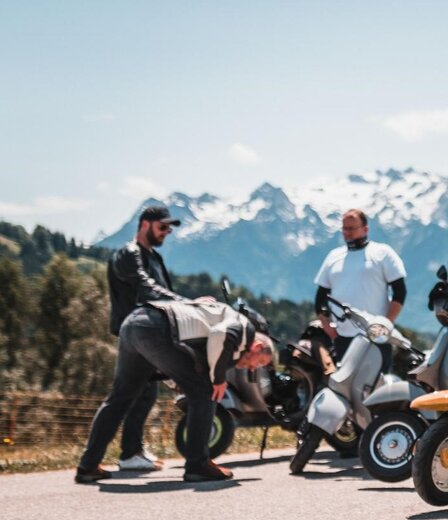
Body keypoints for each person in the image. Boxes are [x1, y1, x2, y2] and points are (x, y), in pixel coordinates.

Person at [75, 300, 273, 483]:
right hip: (159, 327)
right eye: (260, 362)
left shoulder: (220, 323)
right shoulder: (245, 328)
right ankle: (198, 465)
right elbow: (221, 335)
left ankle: (88, 466)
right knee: (205, 392)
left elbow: (182, 360)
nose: (254, 368)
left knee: (120, 397)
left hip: (134, 323)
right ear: (257, 346)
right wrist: (218, 378)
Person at [107, 204, 187, 472]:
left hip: (150, 334)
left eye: (169, 229)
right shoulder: (128, 254)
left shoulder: (154, 257)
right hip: (136, 334)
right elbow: (146, 287)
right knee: (130, 395)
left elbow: (162, 291)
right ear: (144, 225)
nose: (167, 232)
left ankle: (133, 451)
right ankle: (128, 454)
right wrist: (187, 304)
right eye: (162, 227)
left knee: (144, 393)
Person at [312, 208, 407, 373]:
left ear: (365, 229)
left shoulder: (382, 253)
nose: (347, 233)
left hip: (376, 337)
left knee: (378, 386)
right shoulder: (333, 256)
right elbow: (320, 297)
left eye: (351, 228)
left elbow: (400, 292)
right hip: (343, 338)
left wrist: (385, 326)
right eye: (344, 229)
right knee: (346, 386)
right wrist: (328, 327)